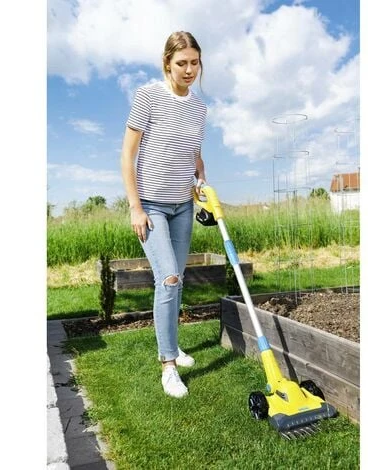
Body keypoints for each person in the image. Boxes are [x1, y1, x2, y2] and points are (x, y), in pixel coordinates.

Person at [120, 31, 207, 398]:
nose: (189, 70)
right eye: (181, 63)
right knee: (168, 278)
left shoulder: (199, 108)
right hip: (151, 206)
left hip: (183, 205)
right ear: (167, 63)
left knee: (178, 279)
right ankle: (168, 365)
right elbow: (128, 155)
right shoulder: (148, 96)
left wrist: (201, 178)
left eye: (194, 62)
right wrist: (135, 207)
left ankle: (173, 345)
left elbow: (193, 153)